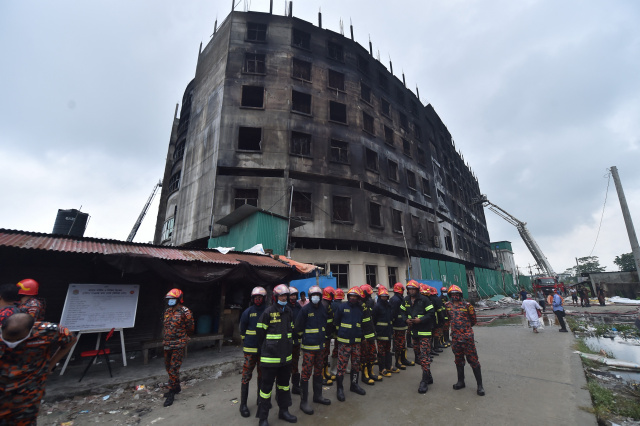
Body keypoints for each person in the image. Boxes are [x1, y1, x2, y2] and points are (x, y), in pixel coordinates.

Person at [0, 313, 76, 424]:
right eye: (8, 338)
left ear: (30, 331)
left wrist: (51, 364)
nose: (12, 343)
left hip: (28, 394)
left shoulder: (47, 332)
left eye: (17, 339)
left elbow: (71, 339)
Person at [256, 284, 297, 426]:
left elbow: (290, 332)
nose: (284, 298)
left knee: (284, 386)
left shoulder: (289, 312)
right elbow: (260, 334)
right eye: (281, 296)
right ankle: (263, 418)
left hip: (285, 358)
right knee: (266, 388)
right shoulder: (268, 313)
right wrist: (268, 348)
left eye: (285, 295)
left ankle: (284, 411)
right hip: (270, 358)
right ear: (275, 297)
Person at [294, 285, 331, 415]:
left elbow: (325, 324)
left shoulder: (323, 309)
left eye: (318, 295)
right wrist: (304, 338)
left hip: (320, 347)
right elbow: (298, 327)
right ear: (310, 297)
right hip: (309, 348)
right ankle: (303, 402)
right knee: (306, 373)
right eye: (313, 295)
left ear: (320, 297)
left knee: (318, 372)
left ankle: (318, 396)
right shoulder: (305, 310)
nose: (316, 297)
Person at [332, 286, 370, 401]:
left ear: (358, 298)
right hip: (344, 342)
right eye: (351, 296)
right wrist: (342, 334)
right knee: (341, 366)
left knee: (355, 365)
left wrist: (363, 337)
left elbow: (363, 324)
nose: (353, 298)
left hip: (356, 343)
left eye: (355, 296)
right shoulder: (342, 307)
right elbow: (336, 322)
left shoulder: (360, 309)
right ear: (348, 297)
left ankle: (354, 385)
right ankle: (340, 389)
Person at [447, 285, 485, 396]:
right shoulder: (447, 306)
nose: (455, 296)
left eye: (457, 294)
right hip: (455, 338)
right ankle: (461, 381)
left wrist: (465, 329)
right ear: (450, 295)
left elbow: (473, 320)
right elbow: (447, 319)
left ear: (460, 295)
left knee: (473, 361)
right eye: (453, 294)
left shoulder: (467, 306)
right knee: (458, 360)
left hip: (467, 338)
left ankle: (480, 386)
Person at [238, 286, 268, 418]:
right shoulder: (248, 312)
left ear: (264, 298)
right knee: (246, 376)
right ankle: (243, 404)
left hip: (264, 350)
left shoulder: (268, 311)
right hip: (250, 350)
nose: (258, 300)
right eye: (256, 298)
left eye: (260, 298)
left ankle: (260, 399)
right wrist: (247, 341)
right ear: (252, 299)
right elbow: (242, 329)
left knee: (262, 376)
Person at [162, 288, 194, 407]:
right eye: (169, 299)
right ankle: (177, 387)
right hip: (167, 344)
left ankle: (171, 393)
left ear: (179, 299)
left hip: (178, 344)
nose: (170, 301)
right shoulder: (167, 311)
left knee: (173, 368)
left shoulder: (185, 312)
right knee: (168, 367)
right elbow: (165, 327)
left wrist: (185, 337)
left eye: (172, 299)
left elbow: (190, 327)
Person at [404, 280, 435, 393]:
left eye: (413, 289)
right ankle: (429, 376)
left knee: (424, 355)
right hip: (414, 332)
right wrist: (405, 320)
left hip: (425, 332)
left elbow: (431, 313)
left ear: (417, 290)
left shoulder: (425, 300)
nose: (411, 291)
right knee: (418, 355)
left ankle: (424, 381)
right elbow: (402, 312)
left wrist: (420, 320)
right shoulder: (406, 300)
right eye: (409, 289)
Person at [359, 284, 381, 385]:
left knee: (372, 355)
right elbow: (359, 323)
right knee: (364, 356)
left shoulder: (366, 303)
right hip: (364, 337)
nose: (370, 297)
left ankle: (371, 372)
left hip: (370, 334)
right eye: (368, 294)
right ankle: (365, 375)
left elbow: (369, 320)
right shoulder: (359, 305)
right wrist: (362, 336)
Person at [372, 285, 394, 378]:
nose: (384, 298)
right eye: (383, 296)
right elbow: (374, 319)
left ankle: (389, 366)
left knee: (388, 350)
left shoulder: (388, 305)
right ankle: (382, 369)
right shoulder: (377, 306)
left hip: (388, 332)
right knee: (381, 352)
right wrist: (375, 331)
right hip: (381, 333)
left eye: (386, 296)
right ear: (380, 297)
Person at [389, 282, 412, 371]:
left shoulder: (398, 298)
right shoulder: (396, 300)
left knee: (402, 343)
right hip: (398, 326)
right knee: (399, 344)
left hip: (401, 325)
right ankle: (398, 362)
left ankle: (403, 360)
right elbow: (393, 313)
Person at [288, 286, 303, 396]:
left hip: (296, 342)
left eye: (294, 295)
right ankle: (283, 388)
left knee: (295, 364)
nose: (293, 297)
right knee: (284, 366)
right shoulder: (284, 308)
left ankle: (296, 386)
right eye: (291, 295)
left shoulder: (298, 307)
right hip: (286, 343)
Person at [320, 286, 336, 386]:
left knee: (325, 355)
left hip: (327, 334)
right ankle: (322, 376)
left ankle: (326, 373)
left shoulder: (327, 304)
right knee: (322, 356)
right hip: (324, 335)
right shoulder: (324, 304)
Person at [329, 288, 344, 377]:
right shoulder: (343, 305)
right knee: (343, 349)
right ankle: (339, 367)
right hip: (342, 331)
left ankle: (333, 369)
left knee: (336, 348)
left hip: (334, 331)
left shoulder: (331, 305)